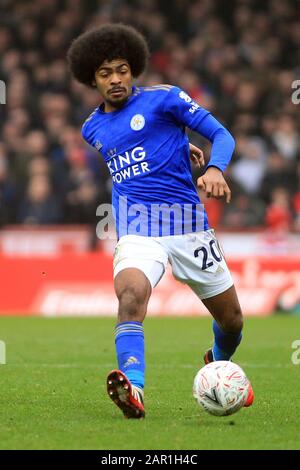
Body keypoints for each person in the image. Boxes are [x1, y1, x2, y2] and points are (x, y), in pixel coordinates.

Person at [67, 24, 254, 419]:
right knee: (130, 296)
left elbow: (222, 134)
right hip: (138, 229)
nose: (115, 79)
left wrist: (215, 168)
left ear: (133, 68)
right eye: (105, 73)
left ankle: (217, 361)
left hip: (188, 225)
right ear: (91, 80)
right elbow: (135, 154)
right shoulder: (91, 128)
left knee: (233, 321)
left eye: (121, 69)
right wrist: (173, 146)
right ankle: (133, 388)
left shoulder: (165, 98)